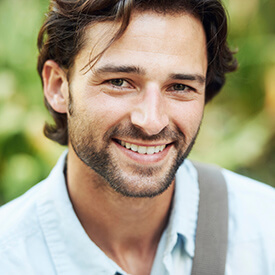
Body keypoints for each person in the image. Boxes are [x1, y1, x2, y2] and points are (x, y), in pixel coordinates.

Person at [0, 0, 274, 274]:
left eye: (180, 86)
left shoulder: (264, 232)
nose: (152, 121)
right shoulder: (9, 256)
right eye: (119, 82)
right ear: (58, 87)